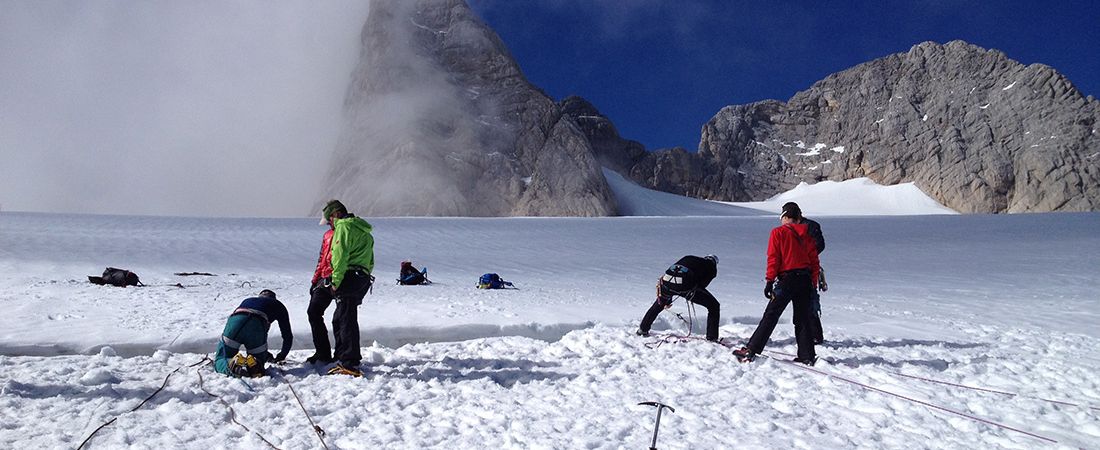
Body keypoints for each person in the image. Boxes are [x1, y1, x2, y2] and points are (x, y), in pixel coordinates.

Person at [734, 203, 820, 365]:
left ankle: (751, 349)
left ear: (786, 217)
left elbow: (774, 258)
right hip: (805, 280)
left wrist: (769, 281)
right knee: (803, 318)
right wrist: (813, 285)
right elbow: (815, 262)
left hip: (787, 280)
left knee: (771, 314)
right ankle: (807, 355)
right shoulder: (807, 236)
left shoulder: (778, 233)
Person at [319, 199, 375, 376]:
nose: (330, 224)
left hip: (349, 277)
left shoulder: (343, 227)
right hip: (362, 277)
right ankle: (343, 355)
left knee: (346, 320)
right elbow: (370, 259)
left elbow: (340, 256)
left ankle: (350, 363)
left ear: (335, 214)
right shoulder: (362, 229)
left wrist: (335, 281)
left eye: (330, 220)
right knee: (340, 318)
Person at [637, 255, 722, 342]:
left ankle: (643, 329)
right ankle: (712, 337)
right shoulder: (711, 266)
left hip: (666, 282)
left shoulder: (689, 257)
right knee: (714, 306)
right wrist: (692, 295)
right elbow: (703, 284)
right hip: (684, 286)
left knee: (659, 304)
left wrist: (668, 299)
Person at [213, 289, 292, 377]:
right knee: (256, 364)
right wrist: (281, 356)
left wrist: (267, 355)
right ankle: (254, 367)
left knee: (222, 358)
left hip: (236, 322)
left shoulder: (248, 300)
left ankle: (232, 364)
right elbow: (287, 336)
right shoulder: (278, 305)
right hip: (257, 325)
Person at [785, 201, 828, 344]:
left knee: (808, 301)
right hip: (796, 270)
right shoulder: (794, 227)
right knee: (805, 302)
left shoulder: (810, 226)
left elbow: (819, 245)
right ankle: (810, 335)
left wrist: (803, 256)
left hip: (807, 270)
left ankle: (814, 335)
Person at [305, 220, 336, 365]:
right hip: (324, 278)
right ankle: (322, 352)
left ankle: (341, 353)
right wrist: (315, 280)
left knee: (342, 318)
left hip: (338, 277)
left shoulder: (345, 232)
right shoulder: (327, 235)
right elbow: (321, 259)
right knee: (313, 311)